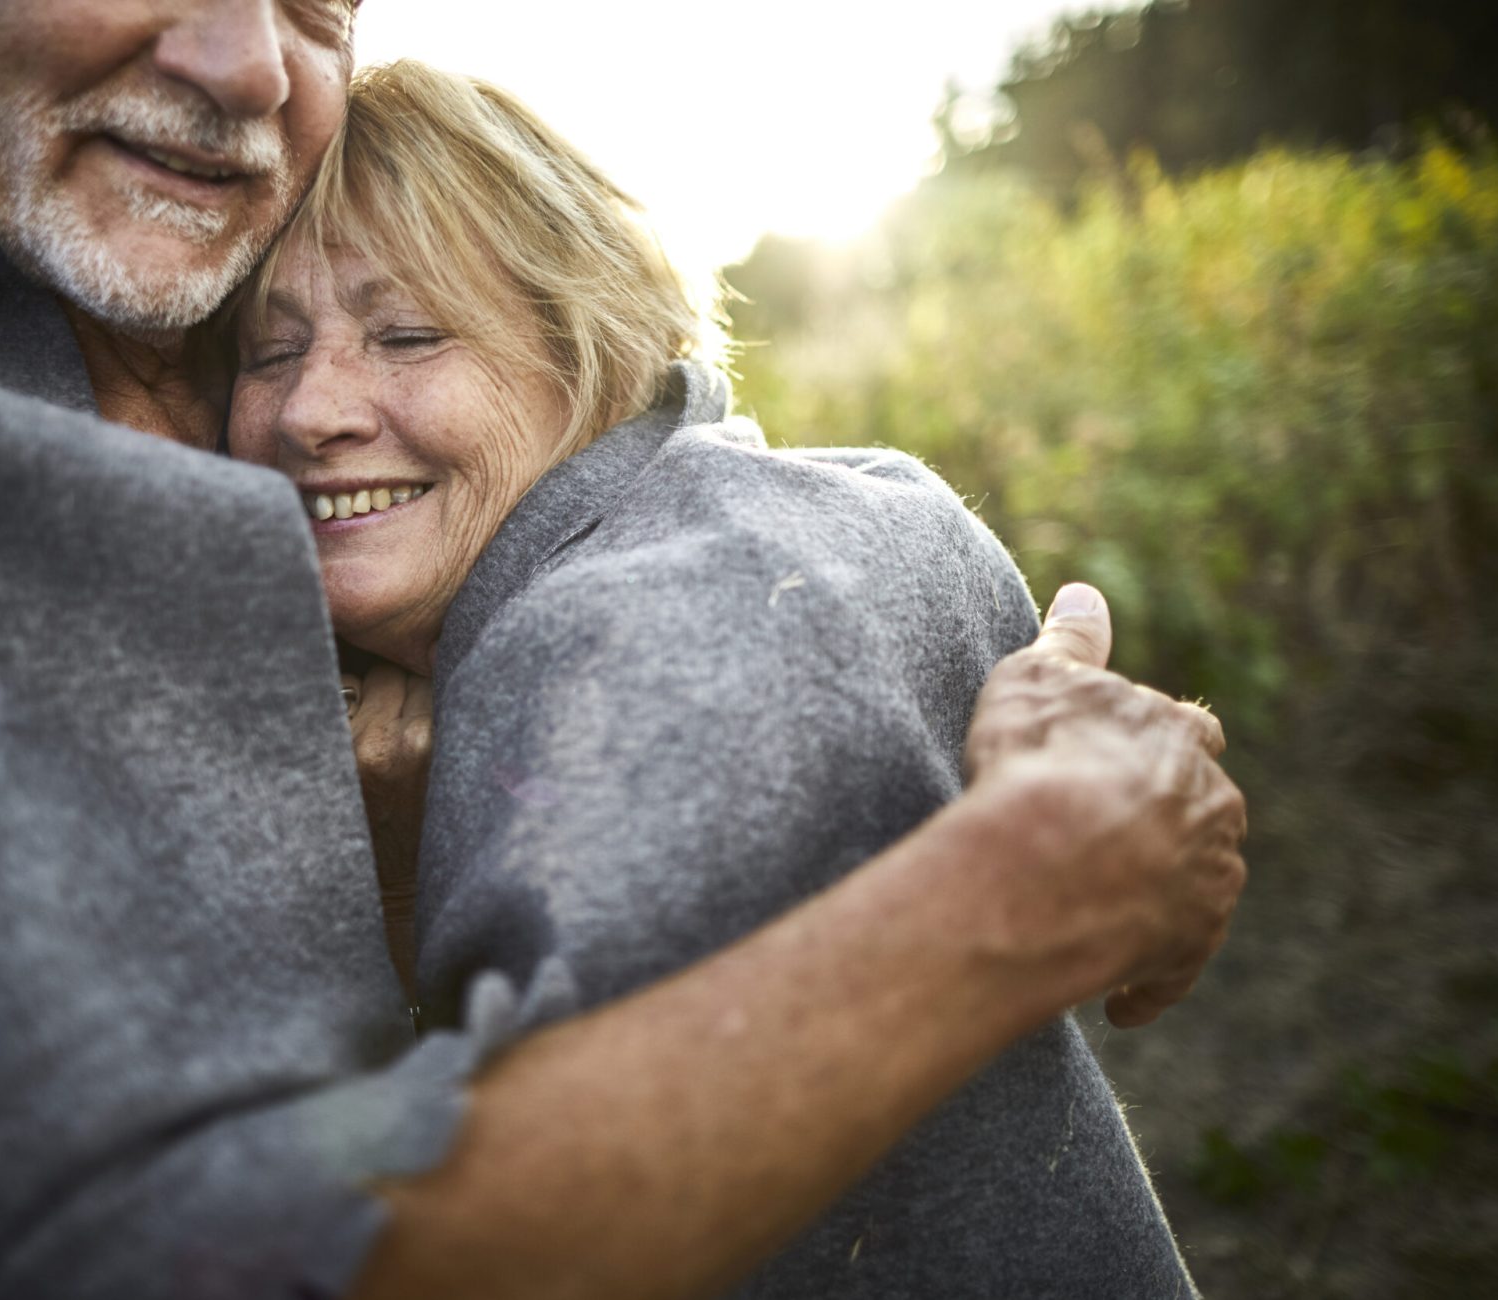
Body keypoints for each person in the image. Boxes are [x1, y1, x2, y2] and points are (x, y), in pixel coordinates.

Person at [0, 6, 1243, 1299]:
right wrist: (1039, 885)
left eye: (318, 0)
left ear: (583, 342)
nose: (246, 60)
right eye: (276, 351)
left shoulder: (680, 609)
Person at [228, 59, 1213, 1297]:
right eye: (263, 354)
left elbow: (519, 1244)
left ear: (584, 336)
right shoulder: (867, 495)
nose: (310, 407)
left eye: (408, 334)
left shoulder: (633, 644)